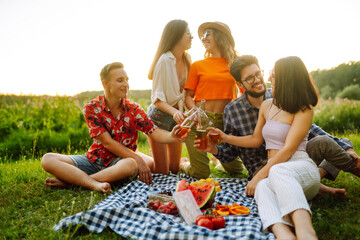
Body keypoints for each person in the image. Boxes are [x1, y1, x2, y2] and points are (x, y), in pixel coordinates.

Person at [203, 55, 359, 196]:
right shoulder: (233, 110)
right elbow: (231, 152)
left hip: (292, 158)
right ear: (239, 84)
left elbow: (309, 129)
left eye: (258, 74)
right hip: (261, 169)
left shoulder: (280, 95)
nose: (257, 80)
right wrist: (213, 149)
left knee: (339, 142)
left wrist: (345, 147)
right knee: (284, 174)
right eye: (250, 78)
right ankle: (315, 184)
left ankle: (315, 180)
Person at [203, 56, 320, 239]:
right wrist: (224, 138)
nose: (263, 79)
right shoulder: (267, 105)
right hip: (276, 171)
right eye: (250, 77)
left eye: (268, 74)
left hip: (297, 165)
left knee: (274, 173)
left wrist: (258, 175)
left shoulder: (304, 109)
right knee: (262, 188)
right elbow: (256, 140)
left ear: (285, 80)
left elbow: (289, 149)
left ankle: (306, 231)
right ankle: (283, 233)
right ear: (240, 83)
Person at [41, 62, 188, 193]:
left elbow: (154, 132)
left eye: (126, 80)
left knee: (131, 164)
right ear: (105, 84)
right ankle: (91, 183)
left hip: (120, 163)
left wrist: (172, 136)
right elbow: (107, 143)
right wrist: (138, 158)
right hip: (94, 159)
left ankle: (72, 183)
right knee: (48, 159)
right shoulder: (91, 108)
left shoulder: (134, 109)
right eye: (120, 80)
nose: (126, 84)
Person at [180, 21, 244, 179]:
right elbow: (188, 96)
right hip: (200, 122)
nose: (203, 38)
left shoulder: (235, 64)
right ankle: (184, 164)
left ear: (220, 37)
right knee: (200, 174)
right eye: (202, 35)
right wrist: (196, 113)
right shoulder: (198, 65)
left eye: (207, 34)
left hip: (225, 123)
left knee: (236, 170)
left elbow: (244, 92)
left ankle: (218, 161)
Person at [147, 19, 192, 175]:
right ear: (177, 36)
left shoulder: (187, 59)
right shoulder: (164, 60)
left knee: (173, 170)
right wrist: (175, 113)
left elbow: (187, 94)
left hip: (175, 119)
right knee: (162, 173)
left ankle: (178, 163)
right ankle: (139, 161)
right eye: (188, 33)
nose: (191, 37)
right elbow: (157, 100)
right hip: (158, 119)